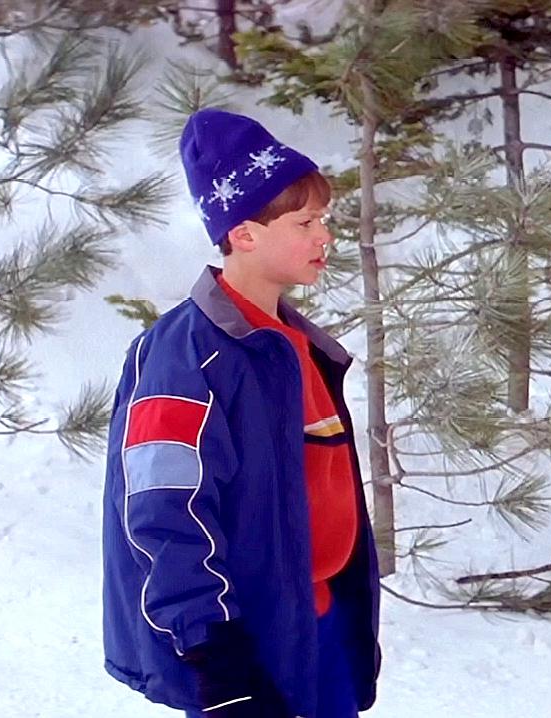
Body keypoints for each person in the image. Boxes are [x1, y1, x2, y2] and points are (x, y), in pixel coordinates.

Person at [101, 108, 381, 718]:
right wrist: (214, 652)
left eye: (324, 220)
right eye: (306, 222)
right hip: (244, 645)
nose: (323, 236)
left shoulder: (295, 346)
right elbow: (162, 510)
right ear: (244, 232)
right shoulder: (185, 358)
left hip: (318, 625)